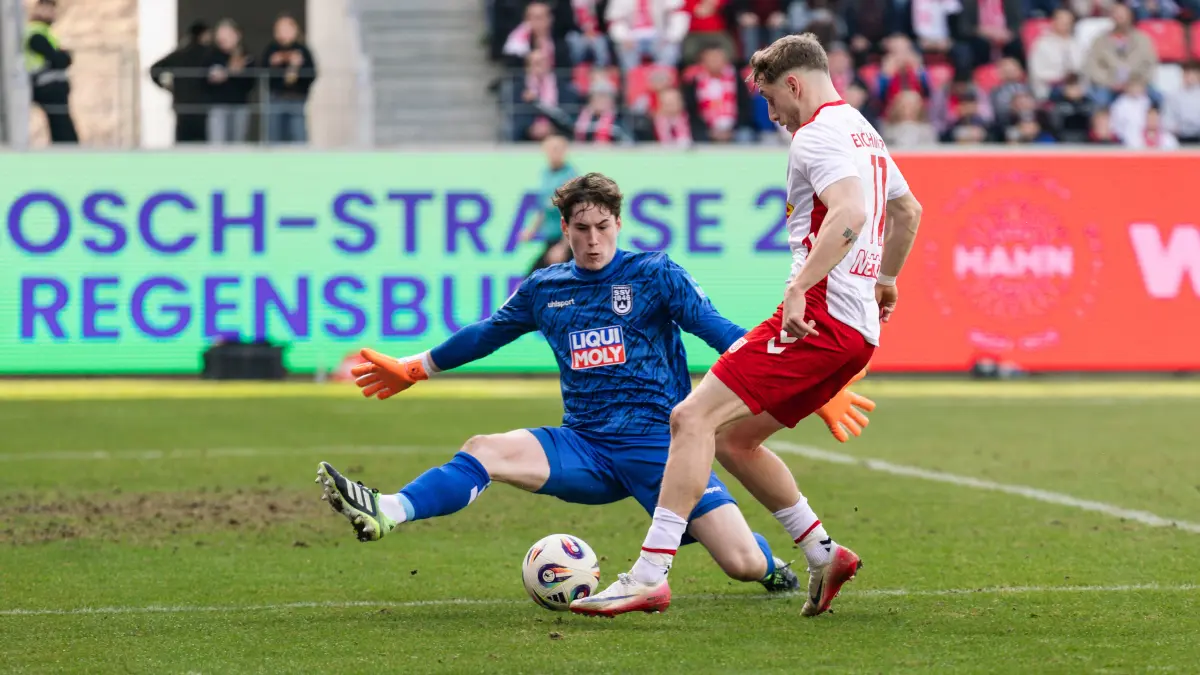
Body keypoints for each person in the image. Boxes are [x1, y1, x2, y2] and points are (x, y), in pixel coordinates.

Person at [316, 172, 875, 600]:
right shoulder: (545, 288)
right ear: (564, 229)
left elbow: (722, 333)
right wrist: (414, 368)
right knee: (483, 449)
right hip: (582, 445)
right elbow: (487, 334)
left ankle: (771, 563)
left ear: (618, 224)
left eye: (602, 227)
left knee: (742, 565)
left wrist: (809, 383)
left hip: (664, 449)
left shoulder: (655, 274)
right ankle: (388, 508)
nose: (591, 240)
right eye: (580, 229)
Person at [573, 33, 923, 618]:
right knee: (732, 439)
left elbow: (854, 212)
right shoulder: (863, 129)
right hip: (858, 333)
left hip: (821, 318)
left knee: (690, 417)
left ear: (793, 83)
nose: (773, 116)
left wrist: (799, 288)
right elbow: (907, 211)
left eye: (770, 99)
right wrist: (886, 278)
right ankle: (823, 551)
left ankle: (649, 574)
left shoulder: (817, 134)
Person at [520, 135, 578, 274]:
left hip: (568, 240)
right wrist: (531, 230)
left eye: (557, 149)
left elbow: (574, 215)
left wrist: (563, 246)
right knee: (534, 282)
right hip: (551, 238)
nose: (554, 153)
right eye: (551, 149)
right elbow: (543, 208)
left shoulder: (570, 177)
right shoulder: (546, 174)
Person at [151, 21, 213, 144]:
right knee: (202, 144)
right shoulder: (208, 54)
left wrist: (166, 86)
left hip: (182, 104)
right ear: (203, 35)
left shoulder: (179, 54)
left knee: (183, 143)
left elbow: (154, 69)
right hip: (202, 105)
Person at [24, 0, 77, 144]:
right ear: (38, 9)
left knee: (60, 127)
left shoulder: (44, 32)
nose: (52, 13)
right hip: (46, 85)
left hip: (47, 85)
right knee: (64, 130)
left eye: (53, 10)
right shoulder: (35, 33)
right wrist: (63, 56)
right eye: (47, 9)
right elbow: (59, 59)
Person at [260, 13, 317, 144]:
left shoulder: (303, 50)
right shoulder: (271, 49)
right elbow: (262, 72)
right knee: (274, 137)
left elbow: (312, 74)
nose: (284, 32)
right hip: (276, 98)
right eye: (281, 29)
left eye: (287, 28)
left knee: (298, 137)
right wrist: (273, 62)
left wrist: (297, 66)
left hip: (297, 99)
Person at [204, 19, 256, 144]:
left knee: (238, 145)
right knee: (217, 145)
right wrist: (228, 72)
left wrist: (236, 72)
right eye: (220, 35)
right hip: (218, 106)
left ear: (237, 35)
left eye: (227, 35)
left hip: (240, 106)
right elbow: (204, 80)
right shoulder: (211, 55)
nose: (223, 39)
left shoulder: (246, 56)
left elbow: (251, 83)